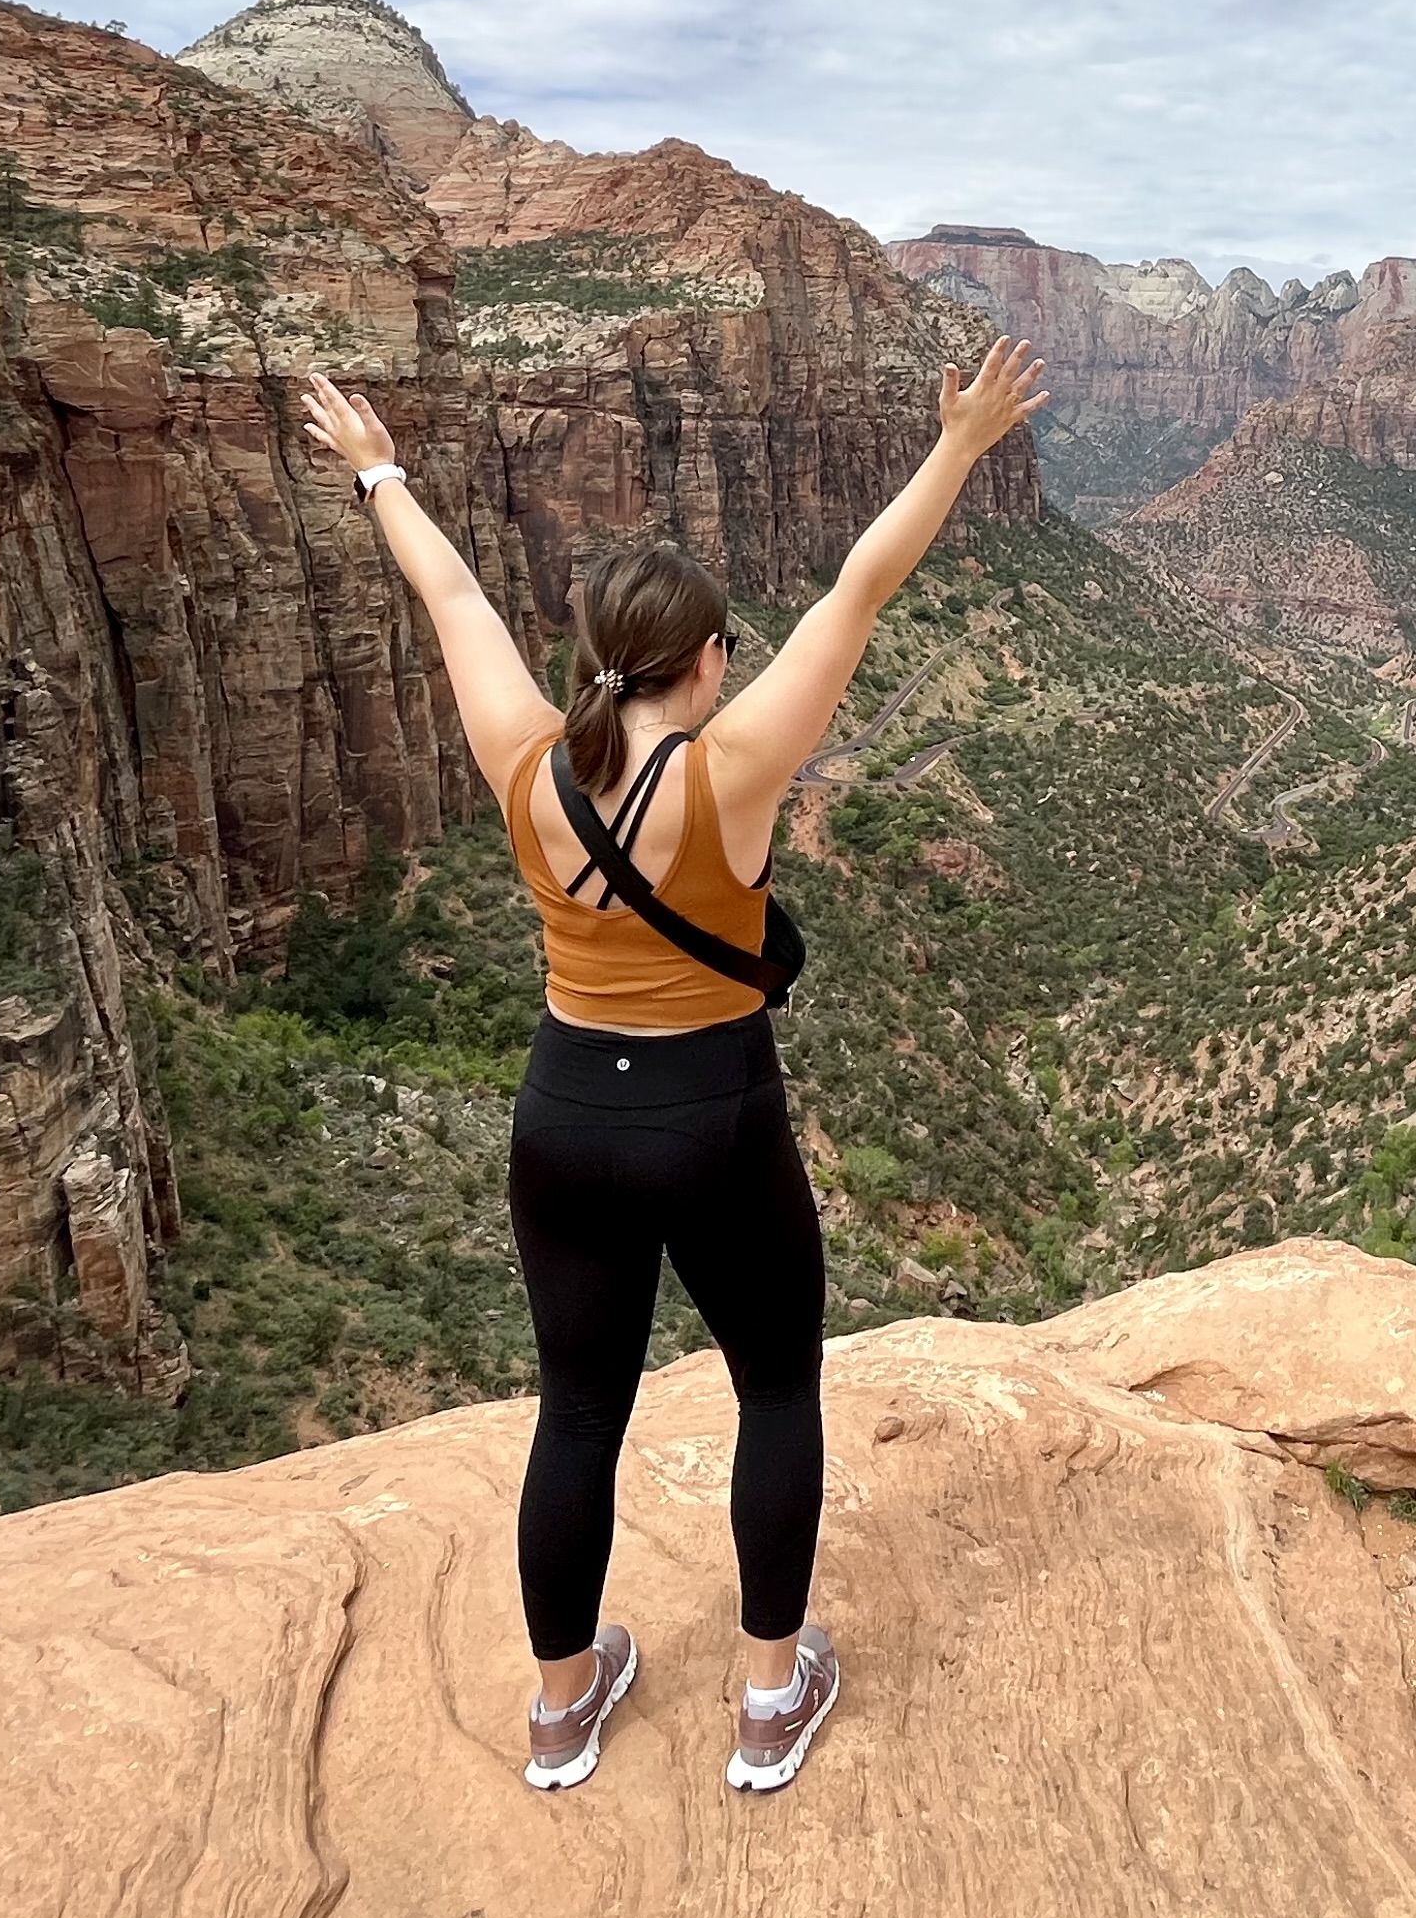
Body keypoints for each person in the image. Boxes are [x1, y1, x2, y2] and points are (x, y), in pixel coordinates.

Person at [295, 337, 1046, 1797]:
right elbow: (859, 590)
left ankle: (561, 1707)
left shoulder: (525, 762)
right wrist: (959, 447)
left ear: (590, 657)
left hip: (563, 1115)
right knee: (774, 1390)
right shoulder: (733, 772)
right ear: (707, 661)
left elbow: (452, 599)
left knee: (578, 1411)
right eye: (724, 654)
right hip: (713, 1117)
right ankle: (768, 1696)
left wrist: (380, 475)